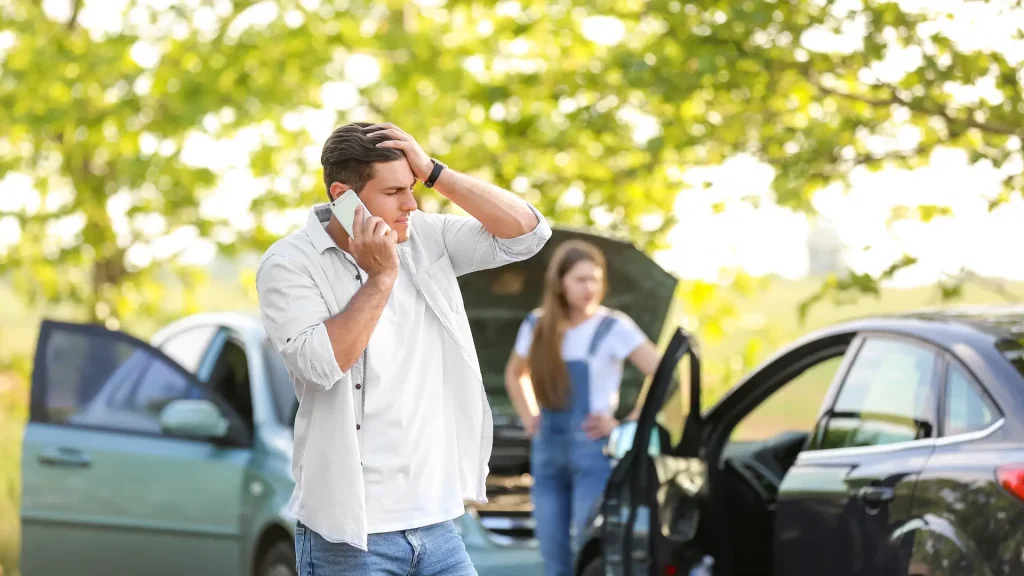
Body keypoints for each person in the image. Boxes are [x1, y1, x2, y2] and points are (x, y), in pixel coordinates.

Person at [256, 121, 551, 575]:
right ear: (342, 195)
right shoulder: (288, 264)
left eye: (413, 187)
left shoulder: (426, 236)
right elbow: (321, 364)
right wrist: (381, 278)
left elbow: (528, 234)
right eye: (395, 191)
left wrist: (435, 172)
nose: (411, 203)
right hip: (351, 538)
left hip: (438, 526)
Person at [504, 239, 661, 576]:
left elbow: (664, 374)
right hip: (547, 457)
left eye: (595, 279)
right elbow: (515, 374)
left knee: (588, 548)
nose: (590, 288)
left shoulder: (613, 327)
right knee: (552, 553)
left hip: (594, 456)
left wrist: (626, 423)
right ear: (560, 282)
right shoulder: (537, 324)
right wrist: (530, 416)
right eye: (580, 279)